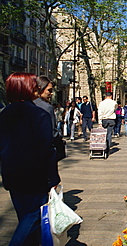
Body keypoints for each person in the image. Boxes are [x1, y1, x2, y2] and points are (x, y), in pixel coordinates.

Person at [0, 72, 60, 245]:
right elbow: (46, 150)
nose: (36, 88)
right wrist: (53, 178)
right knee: (31, 218)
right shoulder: (38, 115)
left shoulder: (3, 115)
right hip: (34, 177)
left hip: (12, 175)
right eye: (33, 85)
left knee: (25, 218)